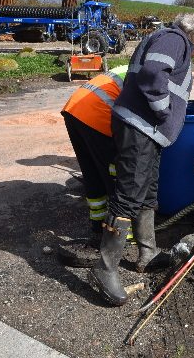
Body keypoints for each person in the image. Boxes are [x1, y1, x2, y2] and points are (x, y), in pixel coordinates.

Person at [89, 13, 194, 306]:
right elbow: (153, 74)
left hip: (147, 130)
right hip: (140, 125)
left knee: (147, 189)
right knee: (129, 194)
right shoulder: (176, 39)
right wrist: (163, 111)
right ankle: (105, 267)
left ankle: (147, 252)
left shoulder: (168, 38)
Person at [59, 64, 129, 267]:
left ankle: (98, 226)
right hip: (97, 114)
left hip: (74, 109)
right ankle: (123, 233)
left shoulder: (128, 67)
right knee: (115, 174)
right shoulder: (151, 72)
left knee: (92, 172)